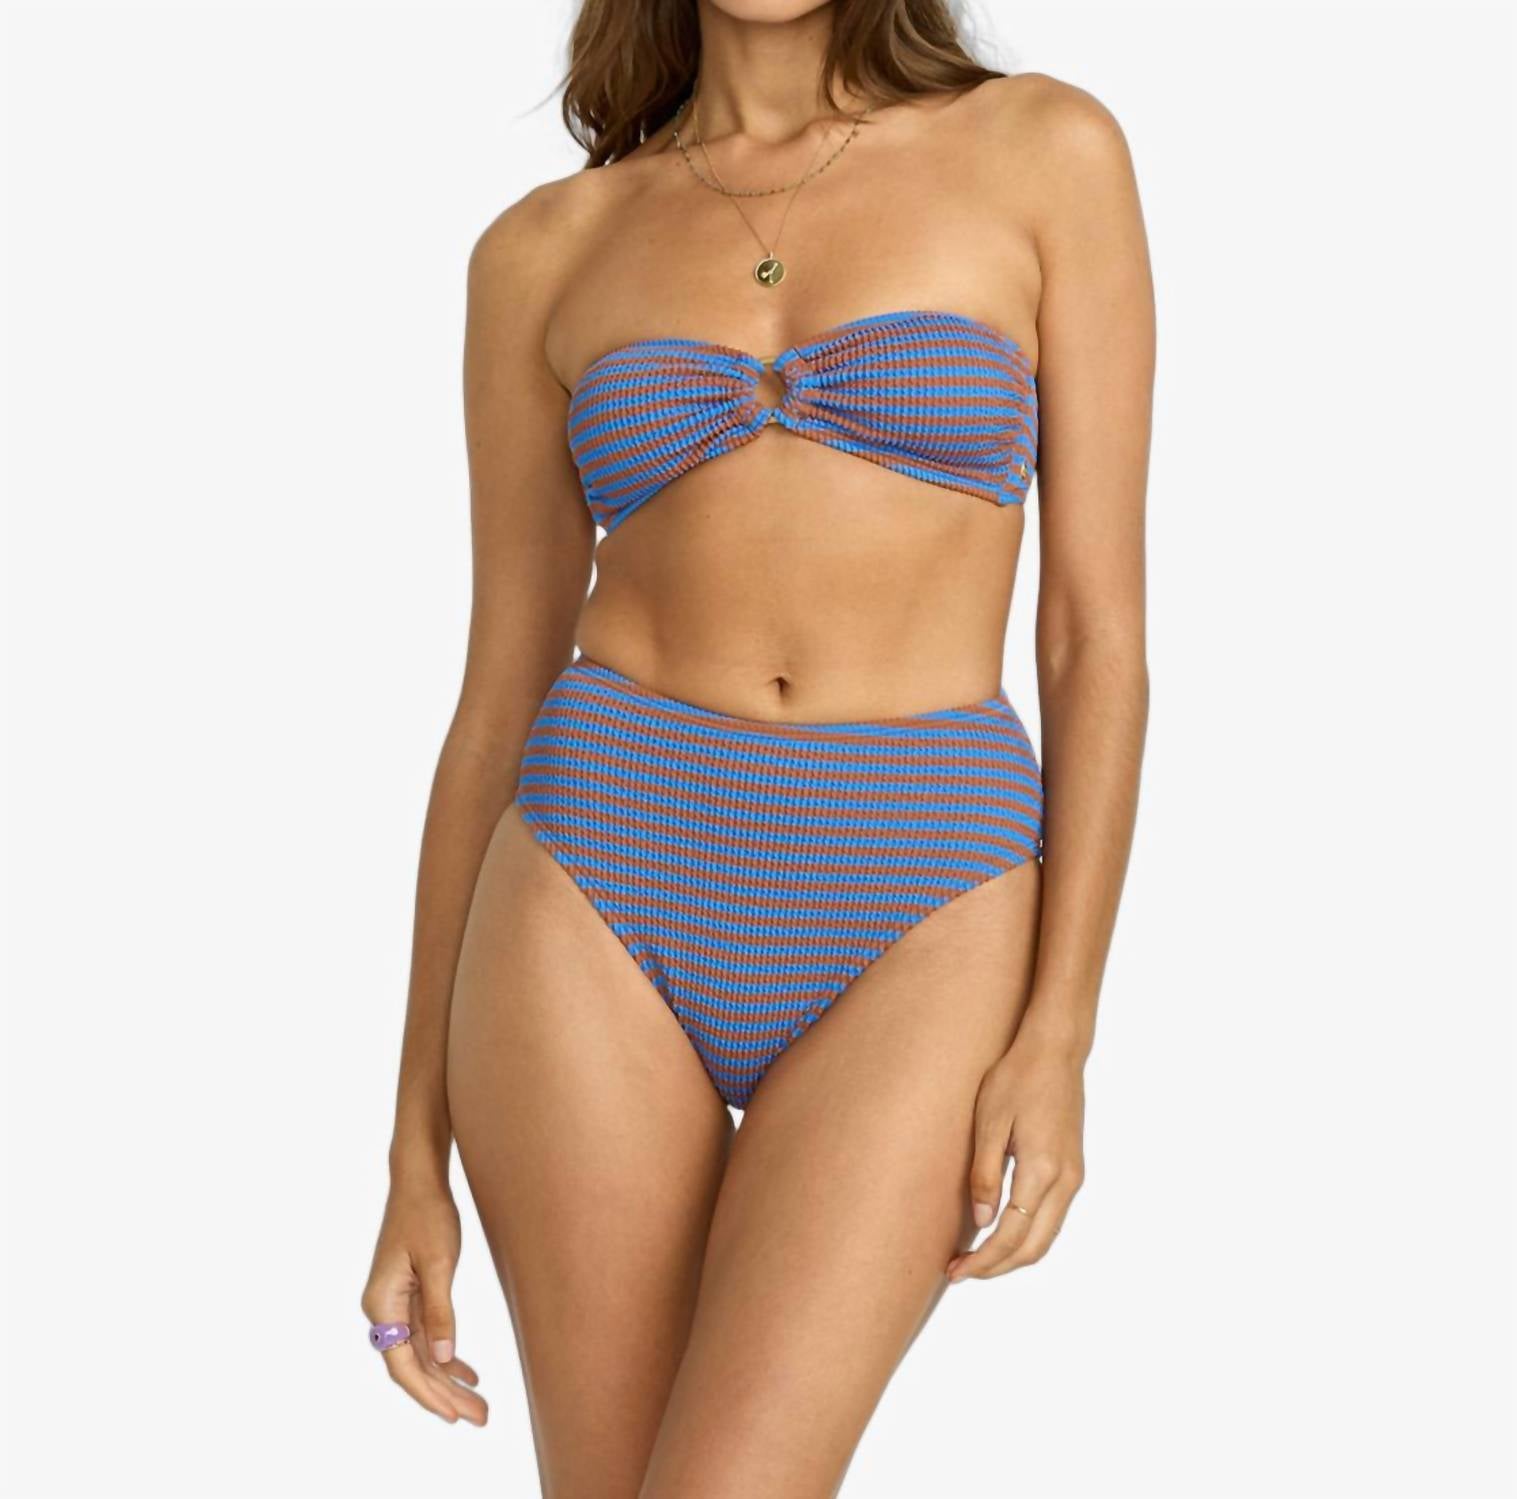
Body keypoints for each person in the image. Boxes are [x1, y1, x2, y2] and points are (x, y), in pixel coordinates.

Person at [363, 1, 1153, 1492]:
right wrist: (413, 1146)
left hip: (926, 885)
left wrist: (1061, 1033)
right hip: (595, 871)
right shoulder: (543, 247)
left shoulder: (1041, 150)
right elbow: (494, 696)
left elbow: (1091, 637)